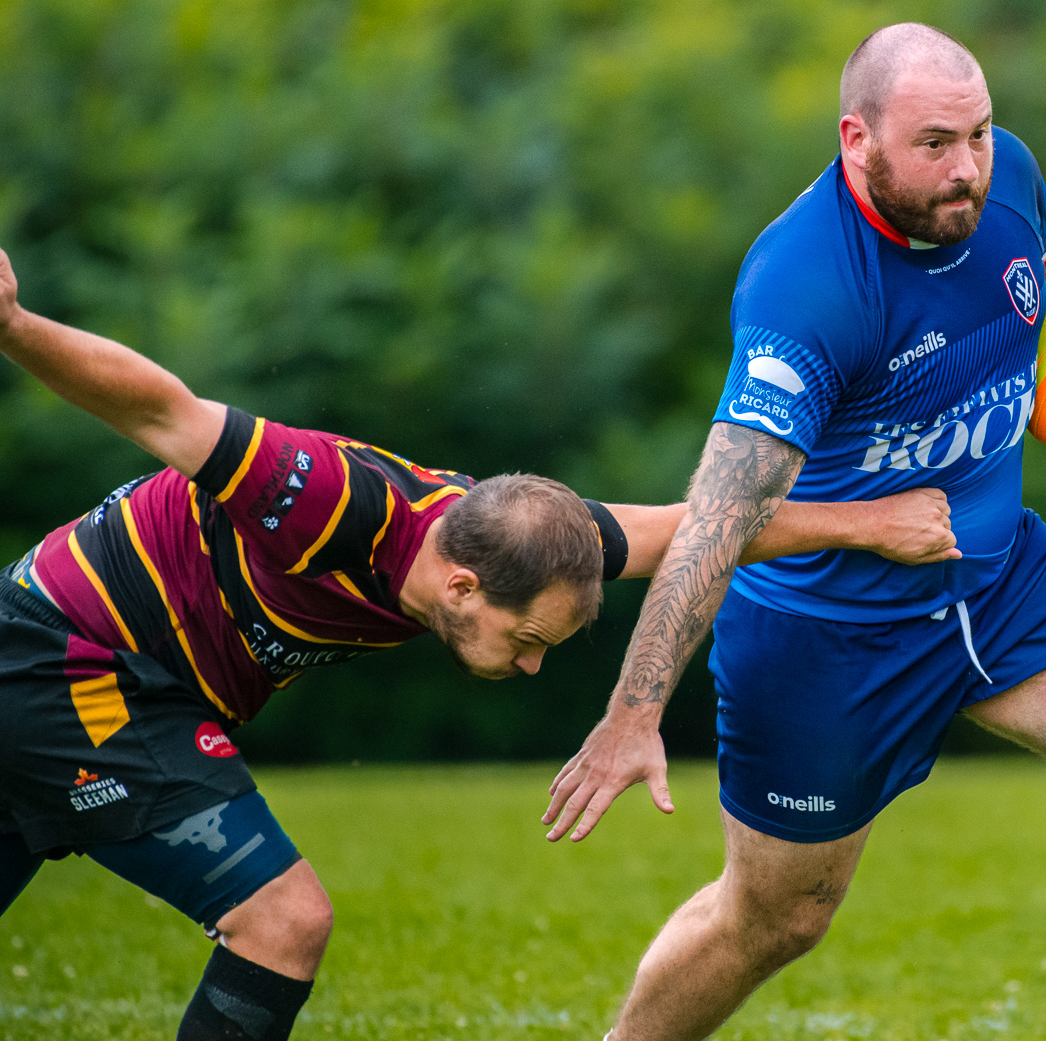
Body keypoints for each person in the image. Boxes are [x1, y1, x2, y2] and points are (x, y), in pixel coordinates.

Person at [0, 244, 958, 1041]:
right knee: (283, 923)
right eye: (529, 640)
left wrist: (865, 522)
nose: (534, 664)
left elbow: (692, 525)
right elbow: (161, 410)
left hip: (95, 676)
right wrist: (13, 326)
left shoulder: (519, 534)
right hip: (76, 663)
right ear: (462, 584)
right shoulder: (329, 497)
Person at [542, 23, 1046, 1041]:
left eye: (978, 133)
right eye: (934, 142)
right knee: (778, 918)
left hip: (1001, 573)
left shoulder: (1004, 179)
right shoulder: (808, 290)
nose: (966, 167)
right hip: (825, 636)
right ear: (857, 140)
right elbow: (715, 522)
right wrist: (632, 713)